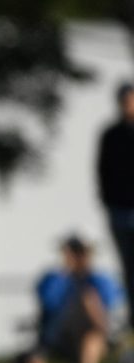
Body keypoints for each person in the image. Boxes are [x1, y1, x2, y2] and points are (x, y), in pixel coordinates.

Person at [34, 234, 124, 363]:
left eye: (81, 251)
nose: (77, 256)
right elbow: (49, 302)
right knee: (34, 360)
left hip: (96, 338)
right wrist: (66, 272)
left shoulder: (100, 280)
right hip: (61, 338)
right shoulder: (54, 280)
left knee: (90, 340)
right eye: (73, 251)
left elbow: (111, 307)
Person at [96, 82, 134, 332]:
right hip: (119, 211)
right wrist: (109, 203)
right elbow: (102, 173)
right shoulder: (111, 136)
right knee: (129, 268)